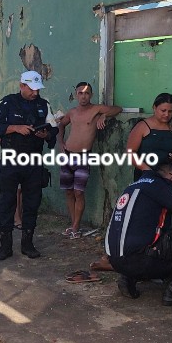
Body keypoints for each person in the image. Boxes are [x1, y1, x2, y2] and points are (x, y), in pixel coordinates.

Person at [104, 161, 172, 305]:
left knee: (141, 237)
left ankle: (127, 279)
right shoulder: (162, 186)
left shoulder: (132, 186)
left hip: (115, 261)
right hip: (140, 261)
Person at [0, 70, 56, 261]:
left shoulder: (43, 105)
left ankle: (28, 244)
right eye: (32, 89)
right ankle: (5, 246)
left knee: (32, 202)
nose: (35, 93)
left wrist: (46, 135)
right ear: (22, 86)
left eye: (38, 89)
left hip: (33, 160)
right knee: (7, 202)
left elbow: (53, 128)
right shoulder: (8, 103)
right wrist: (15, 128)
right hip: (11, 159)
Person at [56, 82, 122, 237]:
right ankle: (74, 226)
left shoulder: (96, 109)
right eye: (80, 93)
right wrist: (61, 142)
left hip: (84, 156)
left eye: (86, 93)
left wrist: (105, 115)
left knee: (79, 192)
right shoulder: (72, 112)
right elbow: (61, 125)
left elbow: (118, 109)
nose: (83, 96)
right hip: (68, 155)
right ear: (76, 95)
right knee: (69, 192)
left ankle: (75, 227)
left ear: (91, 95)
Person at [126, 92, 172, 173]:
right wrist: (146, 169)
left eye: (170, 111)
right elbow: (130, 153)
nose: (166, 114)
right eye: (163, 110)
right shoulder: (142, 126)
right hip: (146, 175)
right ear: (154, 108)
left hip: (169, 176)